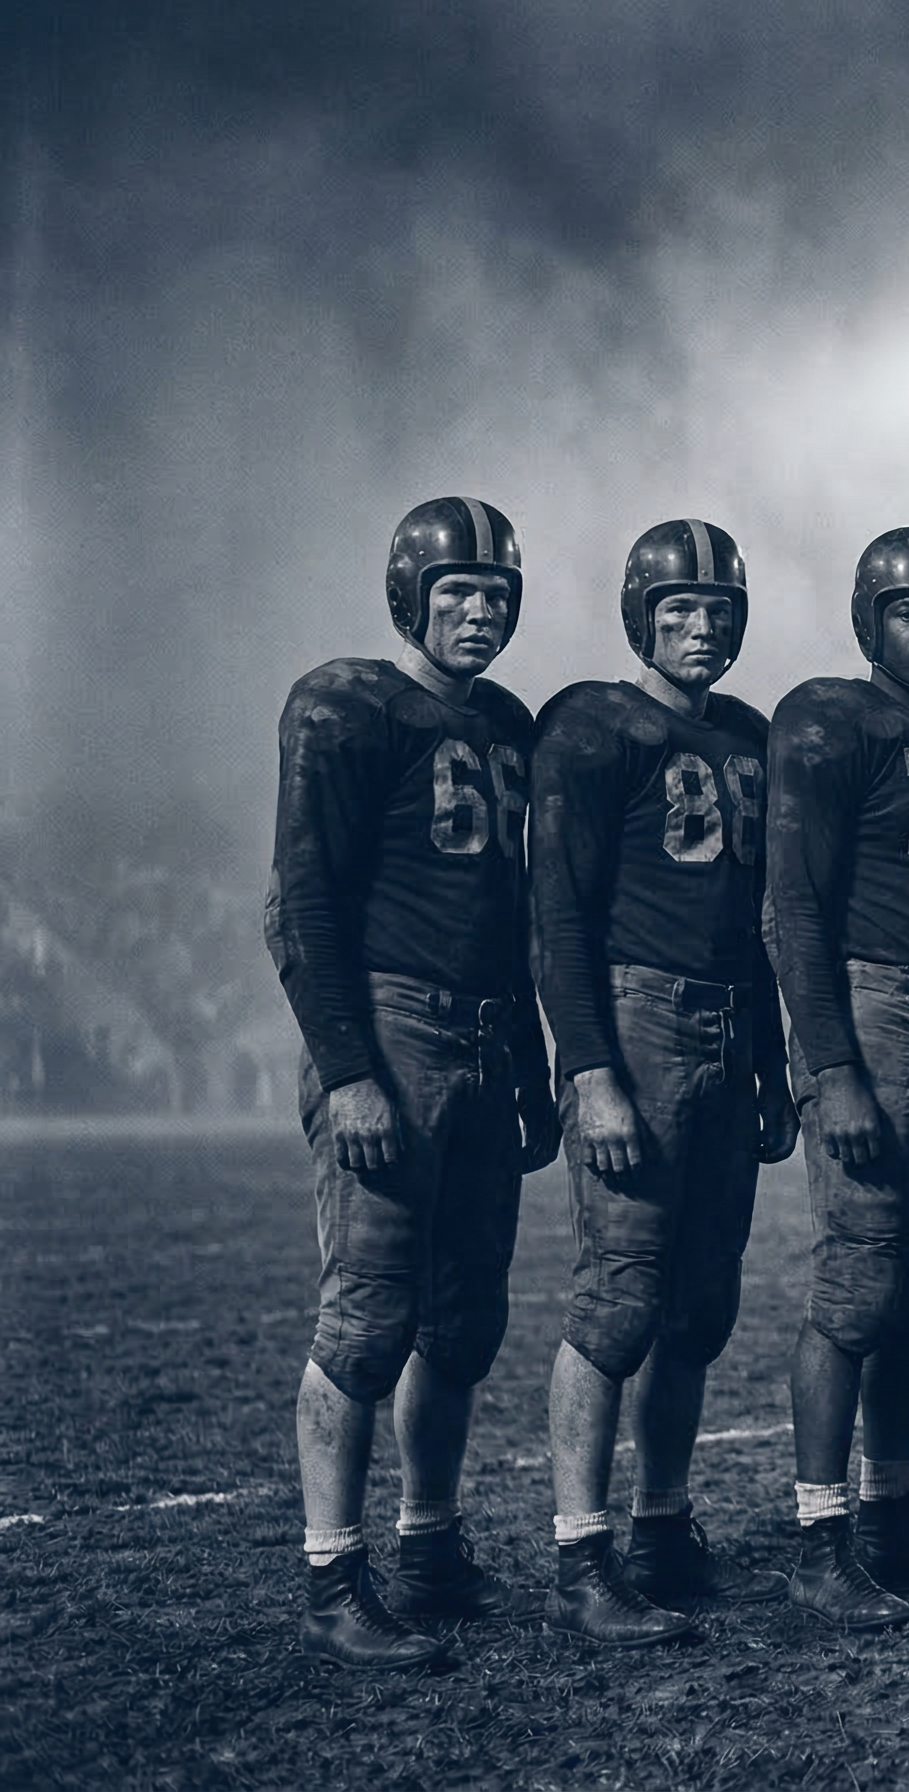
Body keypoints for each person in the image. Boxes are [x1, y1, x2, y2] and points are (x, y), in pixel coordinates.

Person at [266, 496, 559, 1669]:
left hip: (486, 1038)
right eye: (458, 593)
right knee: (367, 1318)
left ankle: (427, 1546)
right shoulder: (349, 705)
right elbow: (300, 905)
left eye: (496, 594)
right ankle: (332, 1577)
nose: (480, 612)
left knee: (463, 1320)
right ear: (410, 597)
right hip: (393, 1032)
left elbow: (512, 918)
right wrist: (351, 1073)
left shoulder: (507, 725)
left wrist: (530, 1065)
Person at [532, 518, 799, 1647]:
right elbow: (557, 914)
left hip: (731, 1024)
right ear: (640, 616)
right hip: (638, 1020)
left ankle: (660, 1526)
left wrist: (773, 1061)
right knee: (619, 1298)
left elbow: (761, 919)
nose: (701, 626)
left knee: (698, 1305)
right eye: (680, 609)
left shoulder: (748, 734)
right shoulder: (593, 726)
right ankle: (578, 1553)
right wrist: (589, 1067)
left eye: (718, 609)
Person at [767, 527, 909, 1629]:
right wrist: (833, 1066)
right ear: (870, 619)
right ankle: (817, 1539)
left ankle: (889, 1506)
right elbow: (794, 907)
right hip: (873, 1011)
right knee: (858, 1284)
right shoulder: (828, 717)